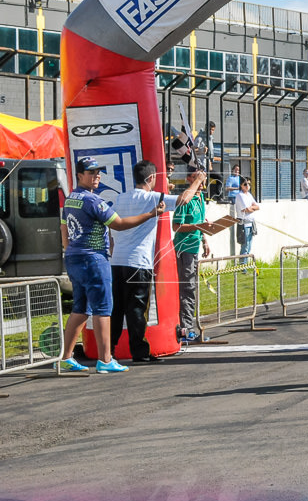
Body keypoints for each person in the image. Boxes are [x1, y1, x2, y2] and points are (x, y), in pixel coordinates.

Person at [56, 157, 165, 374]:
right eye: (91, 173)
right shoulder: (93, 201)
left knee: (80, 308)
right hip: (95, 259)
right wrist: (152, 214)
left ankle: (66, 357)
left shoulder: (71, 199)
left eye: (98, 172)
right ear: (79, 175)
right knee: (103, 309)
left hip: (74, 258)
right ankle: (105, 360)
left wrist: (71, 250)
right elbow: (120, 224)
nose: (96, 176)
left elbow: (63, 231)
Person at [110, 160, 205, 363]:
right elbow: (183, 200)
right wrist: (197, 181)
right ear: (151, 178)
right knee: (137, 307)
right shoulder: (153, 198)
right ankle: (139, 351)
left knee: (116, 308)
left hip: (117, 261)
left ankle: (108, 348)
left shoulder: (120, 198)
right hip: (138, 261)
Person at [172, 165, 211, 343]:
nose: (202, 183)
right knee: (187, 289)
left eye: (203, 179)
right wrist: (197, 227)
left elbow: (201, 221)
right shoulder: (184, 200)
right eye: (198, 179)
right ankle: (186, 330)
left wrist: (205, 241)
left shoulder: (201, 197)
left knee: (192, 289)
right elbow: (176, 226)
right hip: (183, 249)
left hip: (194, 248)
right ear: (189, 179)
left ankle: (189, 328)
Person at [233, 177, 259, 264]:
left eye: (249, 184)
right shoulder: (240, 195)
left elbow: (257, 206)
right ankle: (242, 265)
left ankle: (245, 264)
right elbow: (247, 209)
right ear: (241, 185)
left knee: (249, 246)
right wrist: (251, 208)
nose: (247, 186)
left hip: (251, 223)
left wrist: (251, 208)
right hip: (244, 224)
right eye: (245, 184)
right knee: (245, 246)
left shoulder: (249, 195)